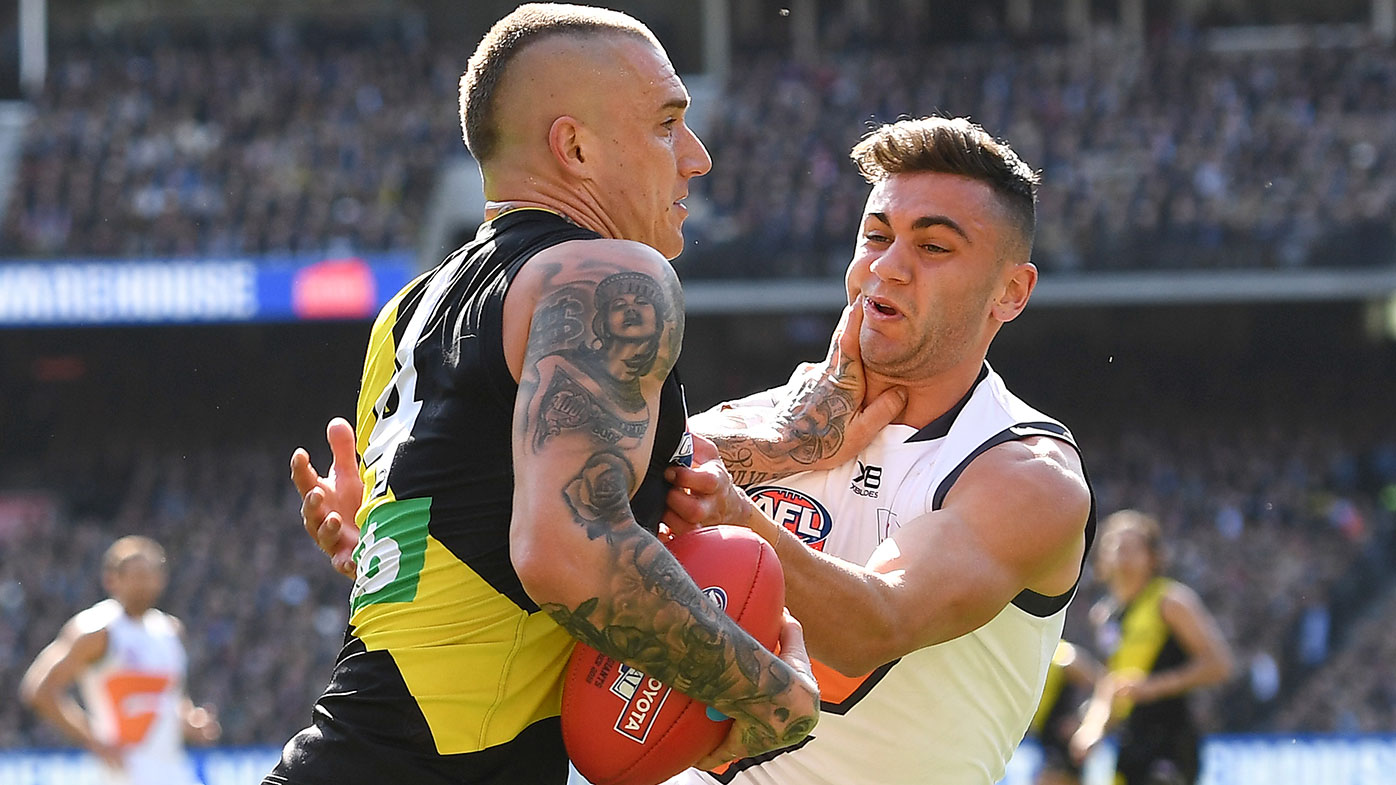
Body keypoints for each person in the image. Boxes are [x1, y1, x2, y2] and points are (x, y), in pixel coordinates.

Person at [301, 116, 1097, 785]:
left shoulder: (1024, 474)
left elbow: (876, 623)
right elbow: (557, 513)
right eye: (877, 234)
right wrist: (393, 522)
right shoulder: (761, 422)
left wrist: (736, 512)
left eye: (934, 247)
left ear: (1011, 292)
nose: (886, 266)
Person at [267, 4, 922, 784]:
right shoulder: (609, 273)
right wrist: (770, 693)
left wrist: (375, 542)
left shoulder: (409, 309)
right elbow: (565, 548)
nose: (698, 156)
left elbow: (460, 533)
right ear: (574, 146)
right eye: (667, 125)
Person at [19, 535, 221, 785]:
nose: (145, 584)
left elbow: (171, 699)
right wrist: (93, 740)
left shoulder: (170, 630)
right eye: (137, 577)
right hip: (121, 775)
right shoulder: (98, 631)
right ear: (112, 580)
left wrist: (191, 721)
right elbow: (39, 690)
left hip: (172, 771)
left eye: (150, 575)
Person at [1068, 510, 1234, 785]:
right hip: (1131, 741)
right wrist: (1091, 728)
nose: (1121, 551)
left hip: (1171, 740)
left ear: (1153, 556)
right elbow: (1109, 682)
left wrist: (1154, 686)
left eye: (1132, 546)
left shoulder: (1171, 602)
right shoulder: (1103, 614)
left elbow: (1220, 665)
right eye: (1114, 544)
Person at [1027, 640, 1102, 785]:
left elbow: (1102, 684)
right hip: (1038, 739)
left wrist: (1086, 723)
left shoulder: (1061, 655)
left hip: (1062, 742)